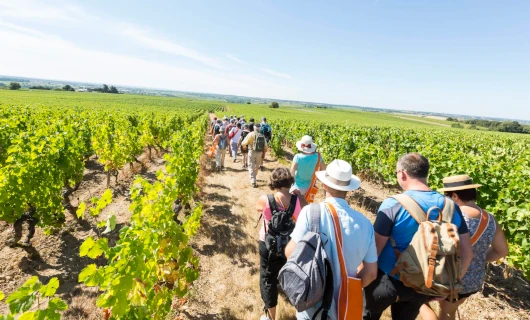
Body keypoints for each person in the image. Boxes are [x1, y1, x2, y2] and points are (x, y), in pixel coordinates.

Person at [363, 153, 474, 320]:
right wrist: (446, 285)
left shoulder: (393, 204)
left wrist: (360, 278)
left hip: (388, 281)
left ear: (402, 173)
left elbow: (375, 250)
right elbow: (467, 254)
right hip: (424, 284)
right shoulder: (450, 206)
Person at [285, 159, 378, 320]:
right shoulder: (365, 224)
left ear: (324, 185)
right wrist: (346, 289)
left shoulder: (311, 213)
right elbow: (370, 273)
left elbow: (291, 253)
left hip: (311, 303)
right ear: (348, 189)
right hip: (344, 308)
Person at [419, 174, 509, 320]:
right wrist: (478, 258)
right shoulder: (490, 220)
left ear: (454, 196)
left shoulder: (449, 216)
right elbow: (502, 251)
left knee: (418, 302)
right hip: (472, 282)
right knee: (448, 312)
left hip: (446, 277)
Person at [257, 168, 307, 320]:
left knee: (267, 278)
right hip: (289, 245)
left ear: (273, 182)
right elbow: (306, 211)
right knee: (289, 274)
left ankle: (271, 316)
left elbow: (258, 209)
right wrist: (300, 196)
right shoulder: (297, 200)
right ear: (290, 181)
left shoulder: (265, 199)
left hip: (268, 244)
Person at [241, 123, 268, 187]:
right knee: (257, 166)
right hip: (260, 152)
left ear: (254, 128)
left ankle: (253, 180)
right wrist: (264, 153)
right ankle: (254, 177)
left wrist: (244, 146)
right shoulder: (262, 135)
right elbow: (266, 146)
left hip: (251, 151)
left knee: (251, 166)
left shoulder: (250, 134)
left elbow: (243, 143)